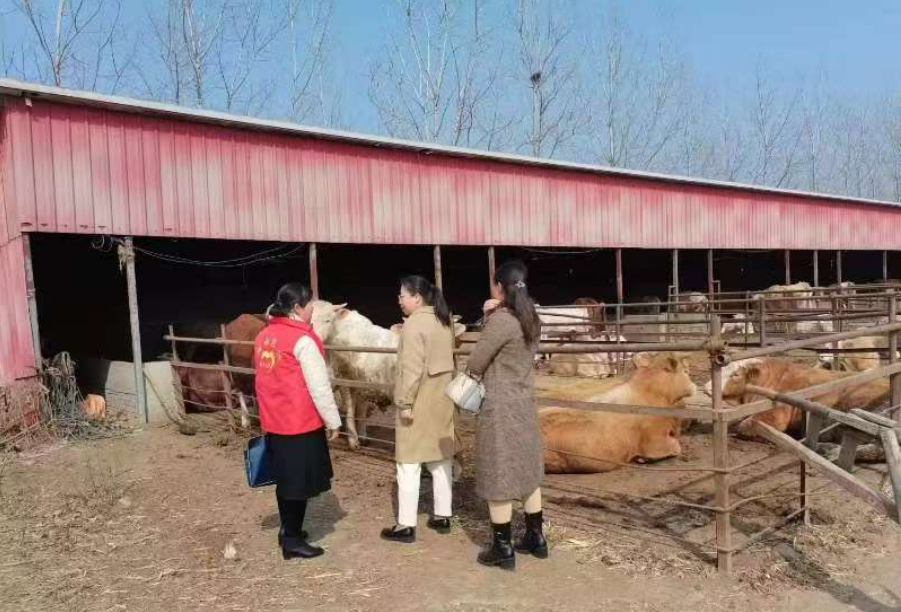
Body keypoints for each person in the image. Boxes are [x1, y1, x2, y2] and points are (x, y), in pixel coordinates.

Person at [466, 261, 546, 570]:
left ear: (500, 287)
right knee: (526, 469)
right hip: (524, 402)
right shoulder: (531, 318)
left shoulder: (501, 320)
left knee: (497, 470)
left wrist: (488, 317)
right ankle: (536, 537)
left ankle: (502, 547)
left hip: (499, 406)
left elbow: (476, 363)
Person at [254, 283, 342, 560]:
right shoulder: (302, 340)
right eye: (310, 303)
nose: (313, 308)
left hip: (274, 419)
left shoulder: (265, 335)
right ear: (296, 308)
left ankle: (287, 530)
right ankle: (292, 540)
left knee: (285, 479)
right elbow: (319, 386)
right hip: (299, 421)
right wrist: (333, 420)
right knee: (298, 484)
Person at [380, 276, 457, 543]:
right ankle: (443, 515)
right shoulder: (443, 320)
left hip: (419, 402)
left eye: (402, 295)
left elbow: (410, 370)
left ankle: (406, 525)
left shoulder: (413, 325)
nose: (399, 300)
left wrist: (405, 403)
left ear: (417, 297)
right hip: (442, 400)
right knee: (440, 458)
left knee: (408, 463)